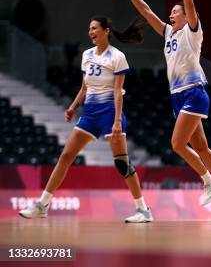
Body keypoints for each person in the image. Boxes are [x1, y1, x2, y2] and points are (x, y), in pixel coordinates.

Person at [114, 0, 211, 212]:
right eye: (171, 12)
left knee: (176, 144)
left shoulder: (193, 31)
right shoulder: (167, 33)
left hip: (193, 92)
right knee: (203, 148)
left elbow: (190, 4)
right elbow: (146, 10)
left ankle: (209, 182)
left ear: (185, 16)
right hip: (177, 95)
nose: (171, 15)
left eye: (175, 12)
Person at [20, 17, 153, 223]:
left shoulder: (117, 57)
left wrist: (117, 120)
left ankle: (143, 210)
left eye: (94, 28)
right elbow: (85, 87)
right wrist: (73, 107)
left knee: (122, 163)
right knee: (66, 156)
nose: (90, 32)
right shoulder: (86, 55)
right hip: (89, 114)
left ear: (106, 31)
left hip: (109, 112)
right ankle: (42, 205)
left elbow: (118, 92)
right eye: (89, 29)